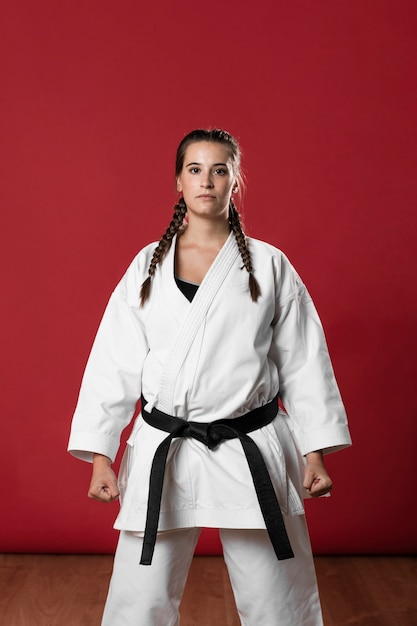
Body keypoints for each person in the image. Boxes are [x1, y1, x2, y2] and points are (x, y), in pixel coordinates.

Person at [68, 128, 351, 626]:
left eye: (220, 170)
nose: (207, 181)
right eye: (195, 170)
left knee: (276, 597)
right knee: (140, 599)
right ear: (178, 181)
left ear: (235, 181)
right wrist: (100, 456)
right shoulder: (147, 267)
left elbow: (305, 362)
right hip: (165, 446)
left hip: (251, 446)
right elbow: (112, 364)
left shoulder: (269, 266)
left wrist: (316, 453)